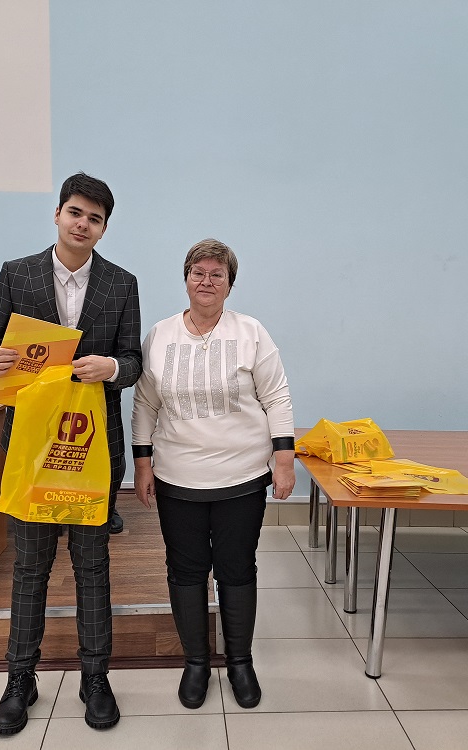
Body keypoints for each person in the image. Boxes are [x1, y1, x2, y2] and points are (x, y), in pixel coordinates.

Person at [0, 173, 141, 735]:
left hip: (91, 448)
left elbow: (133, 361)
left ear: (103, 228)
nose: (82, 224)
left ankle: (95, 678)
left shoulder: (121, 283)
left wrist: (113, 367)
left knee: (93, 567)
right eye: (75, 212)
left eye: (94, 218)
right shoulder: (16, 273)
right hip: (30, 447)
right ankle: (19, 680)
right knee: (30, 568)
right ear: (57, 214)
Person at [131, 239, 295, 710]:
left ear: (229, 284)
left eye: (216, 274)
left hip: (241, 475)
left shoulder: (251, 332)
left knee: (236, 568)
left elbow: (277, 396)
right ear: (186, 279)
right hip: (177, 476)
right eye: (198, 273)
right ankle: (196, 663)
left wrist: (284, 460)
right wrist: (142, 463)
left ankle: (240, 661)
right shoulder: (160, 335)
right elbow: (145, 403)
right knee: (185, 570)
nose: (206, 281)